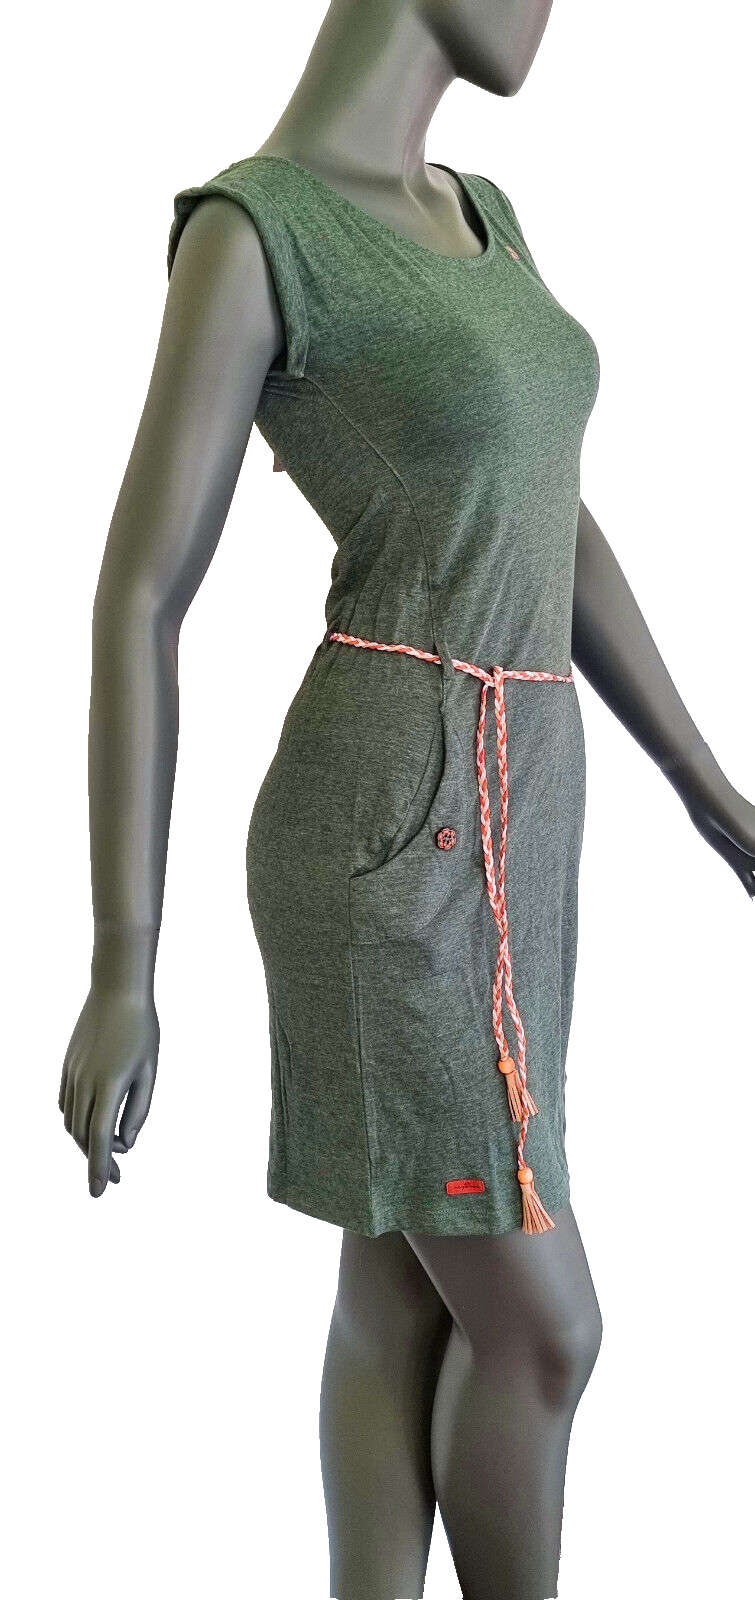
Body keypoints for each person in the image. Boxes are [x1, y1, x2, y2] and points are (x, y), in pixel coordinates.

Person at [58, 3, 755, 1596]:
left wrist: (703, 779)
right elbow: (139, 595)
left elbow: (546, 518)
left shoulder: (481, 213)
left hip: (526, 805)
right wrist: (121, 961)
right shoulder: (255, 232)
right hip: (393, 825)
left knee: (403, 1278)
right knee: (543, 1325)